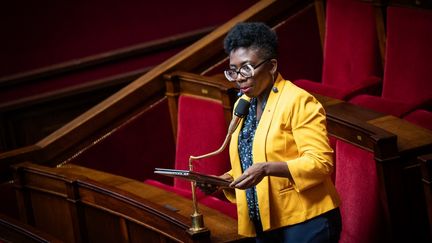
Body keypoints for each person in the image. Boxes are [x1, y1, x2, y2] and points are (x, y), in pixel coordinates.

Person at [199, 22, 341, 243]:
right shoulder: (245, 103)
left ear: (272, 66)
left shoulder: (299, 101)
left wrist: (266, 169)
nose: (239, 77)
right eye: (233, 71)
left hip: (307, 222)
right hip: (264, 222)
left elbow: (321, 163)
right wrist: (223, 181)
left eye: (246, 68)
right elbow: (252, 159)